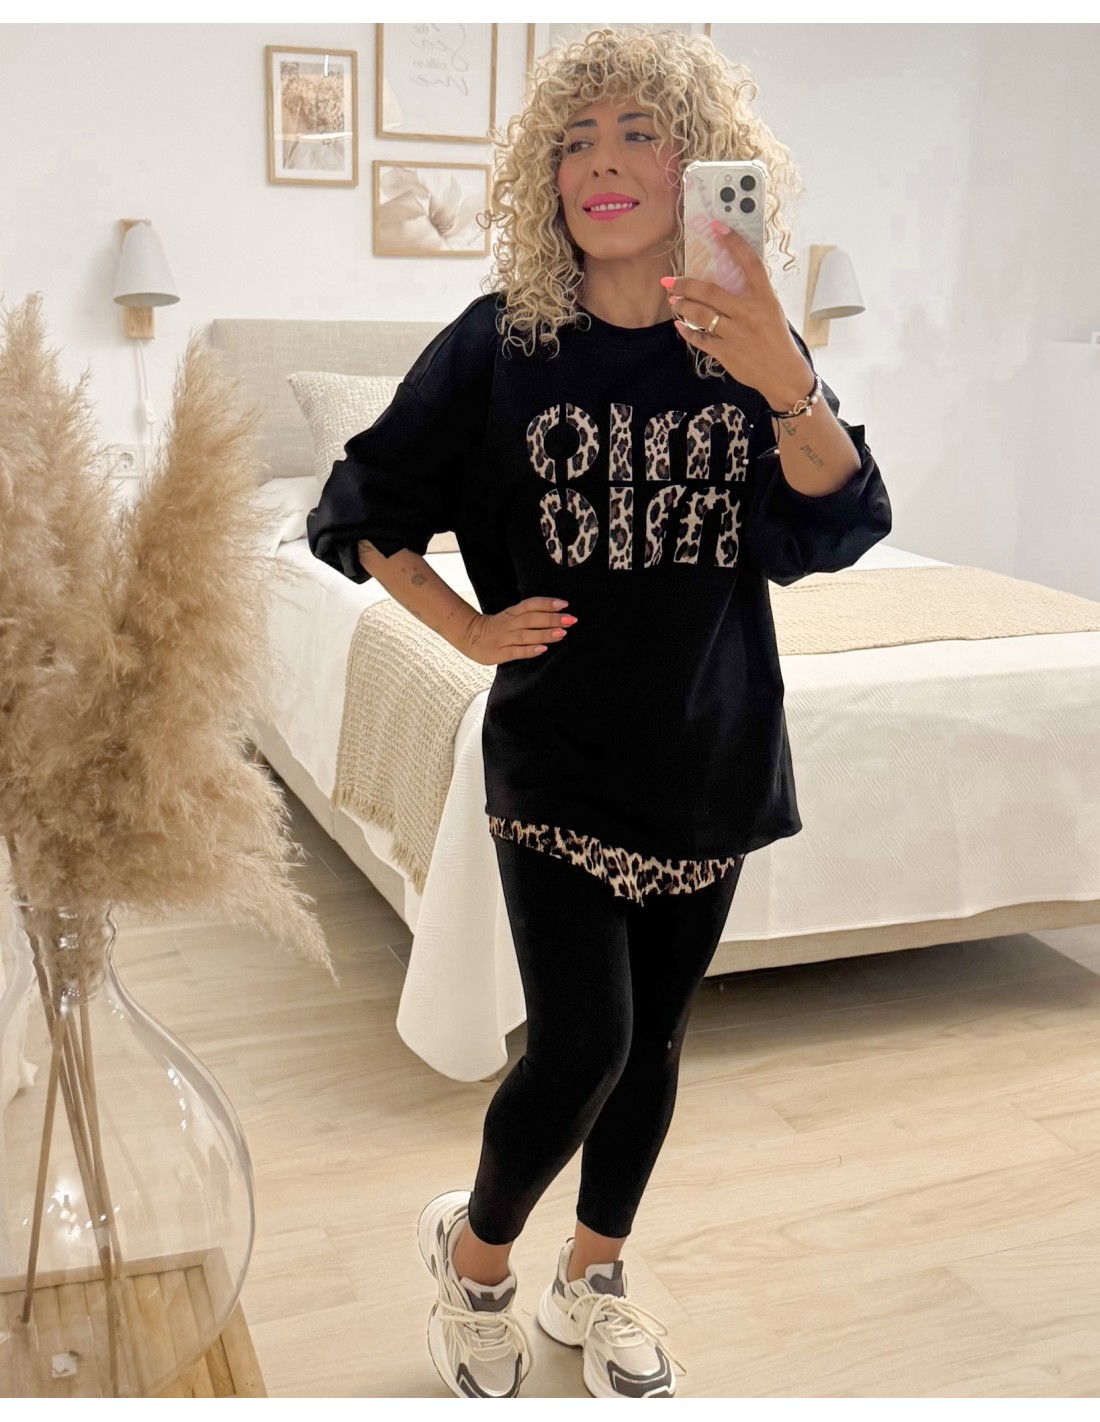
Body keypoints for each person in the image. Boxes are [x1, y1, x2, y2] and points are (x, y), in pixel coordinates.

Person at [307, 26, 891, 1400]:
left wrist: (784, 372)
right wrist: (464, 628)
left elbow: (842, 521)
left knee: (656, 1048)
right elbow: (362, 502)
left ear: (699, 165)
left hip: (713, 748)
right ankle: (476, 1261)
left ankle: (594, 1277)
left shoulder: (747, 346)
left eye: (640, 133)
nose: (602, 162)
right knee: (585, 1042)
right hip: (557, 750)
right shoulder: (502, 344)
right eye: (576, 140)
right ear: (547, 177)